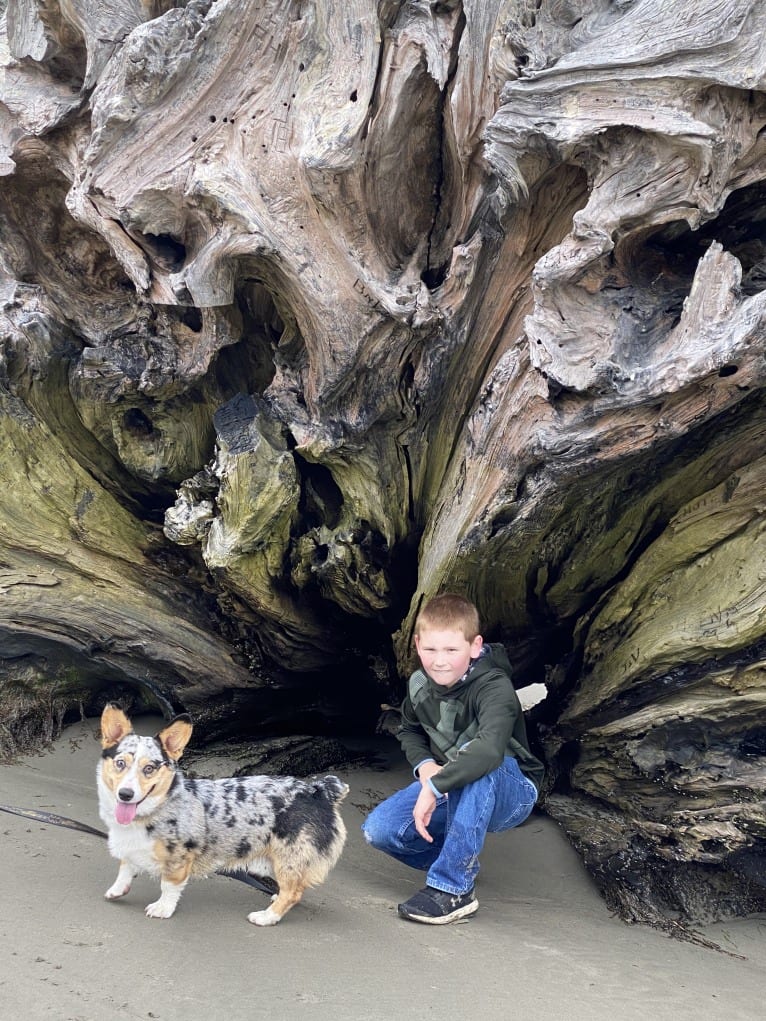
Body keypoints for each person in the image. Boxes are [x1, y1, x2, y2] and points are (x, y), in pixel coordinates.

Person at [362, 592, 544, 924]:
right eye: (430, 650)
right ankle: (460, 858)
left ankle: (453, 889)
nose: (440, 661)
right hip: (453, 780)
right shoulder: (419, 683)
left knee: (481, 766)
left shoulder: (494, 687)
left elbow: (489, 752)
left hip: (512, 790)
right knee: (381, 830)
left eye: (451, 650)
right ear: (417, 645)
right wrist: (425, 766)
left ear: (475, 647)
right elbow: (409, 729)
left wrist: (433, 788)